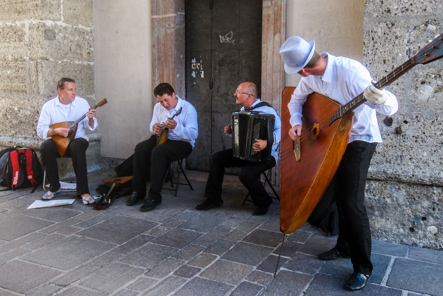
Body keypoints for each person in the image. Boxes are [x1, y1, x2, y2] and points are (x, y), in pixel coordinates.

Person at [279, 36, 398, 291]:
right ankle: (344, 246)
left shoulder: (351, 72)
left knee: (352, 202)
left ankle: (363, 269)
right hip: (332, 143)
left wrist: (382, 100)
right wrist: (297, 123)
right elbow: (295, 100)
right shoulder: (309, 79)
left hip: (359, 139)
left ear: (302, 68)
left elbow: (390, 106)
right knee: (339, 198)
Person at [195, 82, 281, 216]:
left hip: (266, 155)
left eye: (238, 92)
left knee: (246, 175)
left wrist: (267, 142)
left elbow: (282, 131)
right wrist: (231, 131)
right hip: (246, 153)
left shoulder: (267, 110)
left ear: (249, 95)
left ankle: (264, 201)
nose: (235, 94)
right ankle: (213, 199)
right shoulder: (242, 111)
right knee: (217, 158)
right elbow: (243, 135)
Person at [126, 83, 198, 212]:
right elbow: (152, 124)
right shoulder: (158, 107)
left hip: (183, 142)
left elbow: (193, 134)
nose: (164, 104)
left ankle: (154, 197)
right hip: (162, 138)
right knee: (140, 148)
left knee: (158, 152)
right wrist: (155, 128)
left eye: (166, 100)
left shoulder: (188, 108)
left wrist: (176, 127)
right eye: (161, 101)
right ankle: (138, 190)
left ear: (173, 95)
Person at [37, 77, 98, 205]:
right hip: (58, 142)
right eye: (70, 90)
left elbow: (90, 127)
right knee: (46, 146)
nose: (74, 93)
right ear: (60, 91)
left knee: (77, 146)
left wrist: (91, 119)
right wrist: (55, 131)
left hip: (77, 140)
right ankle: (54, 187)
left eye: (75, 89)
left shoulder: (82, 103)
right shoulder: (49, 106)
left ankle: (83, 191)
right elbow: (41, 130)